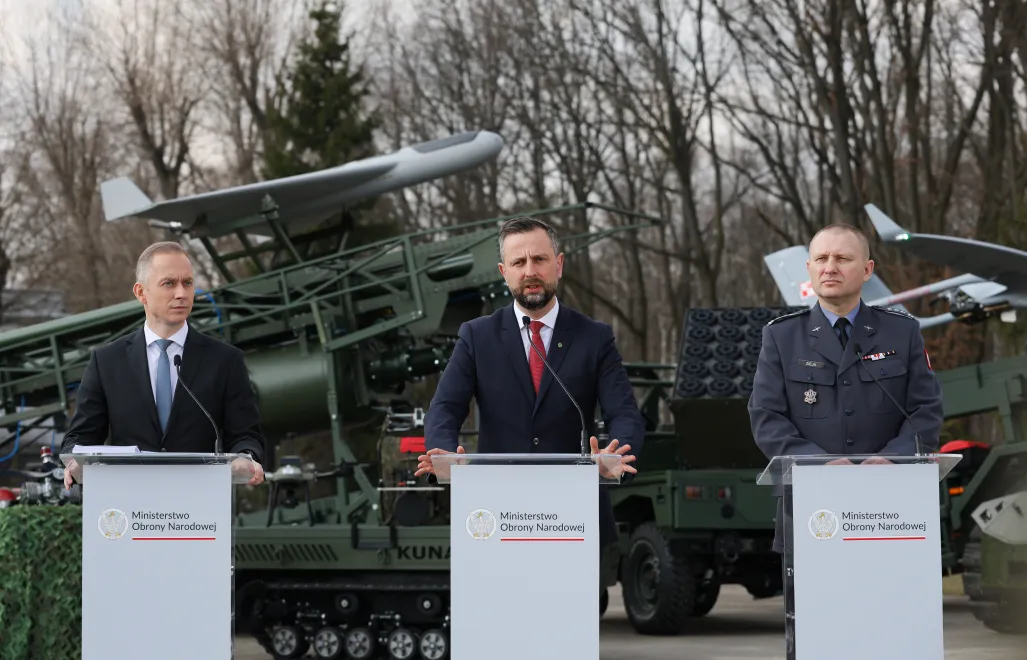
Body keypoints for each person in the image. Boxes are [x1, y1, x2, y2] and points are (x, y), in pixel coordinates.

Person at [747, 223, 944, 657]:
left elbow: (926, 411)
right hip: (814, 514)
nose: (830, 267)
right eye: (821, 259)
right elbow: (766, 417)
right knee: (820, 639)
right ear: (809, 269)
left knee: (887, 635)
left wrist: (894, 459)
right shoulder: (781, 336)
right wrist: (818, 464)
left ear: (868, 269)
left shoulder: (902, 332)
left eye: (842, 258)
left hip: (890, 515)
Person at [413, 216, 646, 553]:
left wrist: (616, 454)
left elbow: (624, 412)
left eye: (539, 259)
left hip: (574, 519)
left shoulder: (594, 337)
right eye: (518, 262)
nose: (529, 271)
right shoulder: (477, 336)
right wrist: (445, 453)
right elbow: (446, 407)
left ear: (559, 264)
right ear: (503, 272)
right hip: (494, 518)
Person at [61, 241, 266, 487]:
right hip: (128, 505)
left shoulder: (225, 360)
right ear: (140, 293)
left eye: (188, 283)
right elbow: (79, 438)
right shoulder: (107, 362)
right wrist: (74, 461)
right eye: (169, 283)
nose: (181, 293)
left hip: (200, 507)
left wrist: (246, 458)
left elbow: (246, 435)